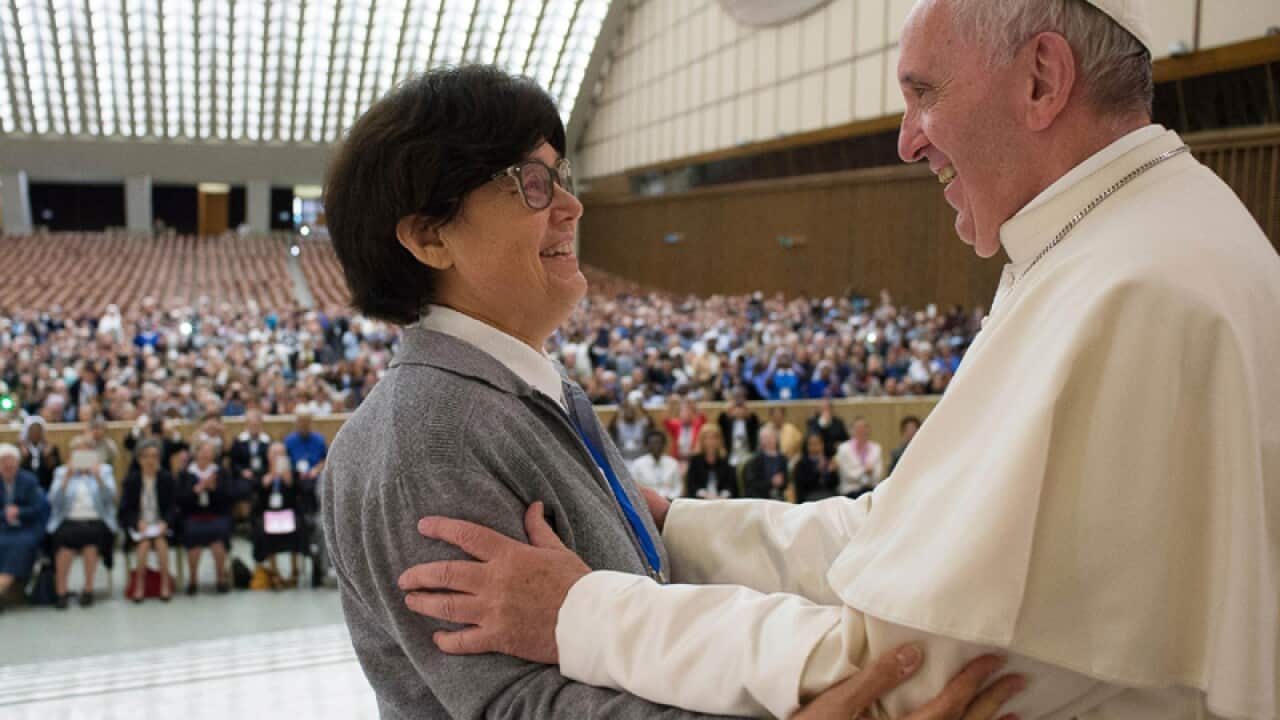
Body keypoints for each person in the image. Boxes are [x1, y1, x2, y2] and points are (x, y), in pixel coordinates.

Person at [398, 2, 1280, 718]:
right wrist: (677, 529)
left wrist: (584, 614)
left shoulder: (1135, 292)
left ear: (1043, 79)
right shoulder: (1121, 244)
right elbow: (895, 539)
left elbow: (901, 675)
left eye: (924, 93)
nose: (907, 140)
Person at [317, 65, 1023, 720]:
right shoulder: (426, 434)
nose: (570, 205)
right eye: (530, 183)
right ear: (428, 235)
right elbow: (514, 705)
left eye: (562, 176)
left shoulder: (530, 391)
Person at [46, 451, 117, 609]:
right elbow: (53, 501)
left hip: (95, 520)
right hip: (68, 520)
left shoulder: (104, 471)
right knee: (64, 544)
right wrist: (67, 478)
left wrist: (98, 478)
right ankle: (61, 591)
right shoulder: (61, 472)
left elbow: (110, 498)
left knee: (91, 541)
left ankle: (88, 588)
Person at [118, 439, 177, 602]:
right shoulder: (131, 481)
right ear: (139, 459)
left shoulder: (166, 479)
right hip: (141, 525)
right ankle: (139, 585)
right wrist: (137, 522)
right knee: (143, 545)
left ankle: (165, 584)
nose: (150, 461)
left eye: (154, 456)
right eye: (146, 457)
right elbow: (124, 510)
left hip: (160, 525)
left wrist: (165, 522)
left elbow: (173, 507)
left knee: (160, 543)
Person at [176, 440, 232, 594]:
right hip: (193, 515)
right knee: (193, 534)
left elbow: (228, 497)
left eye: (210, 452)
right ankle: (193, 579)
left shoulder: (221, 473)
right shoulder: (185, 474)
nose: (206, 455)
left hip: (216, 514)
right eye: (203, 451)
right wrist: (196, 490)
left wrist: (214, 489)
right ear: (196, 453)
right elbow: (180, 500)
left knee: (219, 535)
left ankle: (221, 578)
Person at [251, 442, 307, 589]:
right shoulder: (262, 472)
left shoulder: (292, 472)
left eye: (280, 454)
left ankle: (295, 571)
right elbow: (255, 492)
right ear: (268, 456)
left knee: (298, 526)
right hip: (268, 514)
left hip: (288, 512)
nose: (277, 457)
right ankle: (274, 572)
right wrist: (268, 480)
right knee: (264, 530)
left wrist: (289, 481)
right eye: (274, 454)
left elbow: (300, 493)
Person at [0, 444, 46, 610]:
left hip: (26, 528)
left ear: (17, 463)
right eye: (3, 461)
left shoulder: (29, 480)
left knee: (20, 546)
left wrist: (19, 511)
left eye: (10, 461)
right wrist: (5, 513)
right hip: (3, 528)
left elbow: (37, 509)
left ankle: (4, 587)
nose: (7, 465)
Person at [833, 417, 885, 498]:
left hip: (872, 489)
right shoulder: (843, 448)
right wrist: (864, 471)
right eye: (858, 428)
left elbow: (878, 474)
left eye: (864, 428)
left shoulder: (876, 448)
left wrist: (869, 473)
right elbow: (846, 475)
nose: (861, 431)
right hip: (851, 490)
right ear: (851, 430)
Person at [683, 425, 737, 500]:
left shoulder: (725, 460)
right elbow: (691, 485)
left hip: (722, 501)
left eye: (714, 438)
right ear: (701, 440)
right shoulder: (695, 460)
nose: (710, 442)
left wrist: (722, 496)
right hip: (700, 501)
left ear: (719, 440)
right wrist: (704, 494)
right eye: (707, 438)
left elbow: (731, 485)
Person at [628, 431, 683, 501]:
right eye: (653, 443)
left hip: (670, 501)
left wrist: (671, 498)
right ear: (647, 445)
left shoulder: (673, 463)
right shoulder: (638, 464)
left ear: (664, 445)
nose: (656, 446)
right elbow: (634, 487)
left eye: (659, 443)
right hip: (647, 502)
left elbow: (678, 486)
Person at [740, 426, 789, 501]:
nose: (769, 440)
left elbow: (786, 480)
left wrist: (782, 482)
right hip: (760, 498)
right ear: (760, 441)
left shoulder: (783, 459)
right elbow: (751, 485)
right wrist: (771, 482)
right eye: (765, 438)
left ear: (776, 439)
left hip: (779, 497)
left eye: (771, 437)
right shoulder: (754, 461)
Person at [717, 390, 760, 469]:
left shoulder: (750, 422)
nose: (739, 411)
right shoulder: (728, 422)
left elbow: (755, 420)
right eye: (737, 408)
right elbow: (721, 420)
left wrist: (746, 407)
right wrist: (730, 406)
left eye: (741, 408)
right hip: (732, 455)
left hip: (748, 455)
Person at [792, 432, 840, 503]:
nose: (814, 447)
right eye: (811, 444)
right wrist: (818, 471)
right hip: (809, 498)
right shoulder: (801, 464)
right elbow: (803, 487)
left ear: (822, 445)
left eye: (817, 443)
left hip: (828, 495)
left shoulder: (828, 460)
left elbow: (835, 484)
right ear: (807, 446)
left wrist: (831, 472)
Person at [18, 415, 61, 491]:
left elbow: (57, 470)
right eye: (32, 430)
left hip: (46, 486)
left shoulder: (52, 448)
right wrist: (24, 457)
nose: (35, 432)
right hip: (24, 488)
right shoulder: (19, 448)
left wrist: (48, 458)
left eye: (38, 429)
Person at [607, 397, 654, 463]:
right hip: (623, 458)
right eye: (627, 411)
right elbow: (611, 427)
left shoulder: (641, 424)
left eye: (632, 411)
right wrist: (620, 408)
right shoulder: (619, 425)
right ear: (623, 413)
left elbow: (651, 423)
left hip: (639, 458)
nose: (629, 413)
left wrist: (641, 407)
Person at [662, 397, 706, 462]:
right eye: (683, 412)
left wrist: (694, 405)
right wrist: (671, 404)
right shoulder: (676, 425)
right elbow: (665, 420)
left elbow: (703, 417)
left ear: (693, 415)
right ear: (680, 415)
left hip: (693, 459)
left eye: (689, 413)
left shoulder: (697, 424)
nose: (686, 415)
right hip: (678, 458)